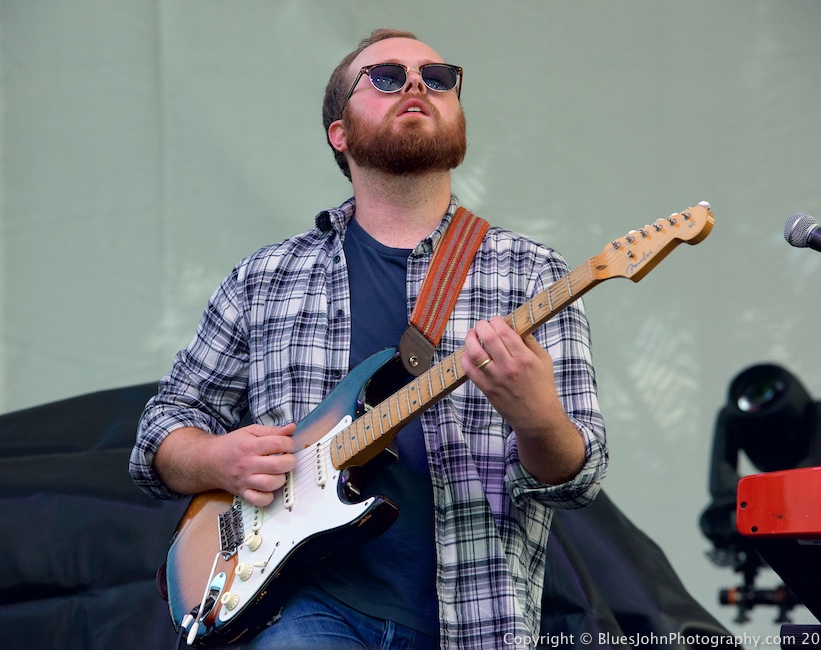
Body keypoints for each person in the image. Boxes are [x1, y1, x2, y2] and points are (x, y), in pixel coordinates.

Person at [130, 28, 608, 650]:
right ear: (340, 133)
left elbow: (580, 477)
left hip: (474, 619)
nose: (417, 84)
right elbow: (162, 426)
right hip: (292, 607)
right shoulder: (264, 278)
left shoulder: (534, 276)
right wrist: (217, 459)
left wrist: (538, 418)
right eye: (386, 76)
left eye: (438, 79)